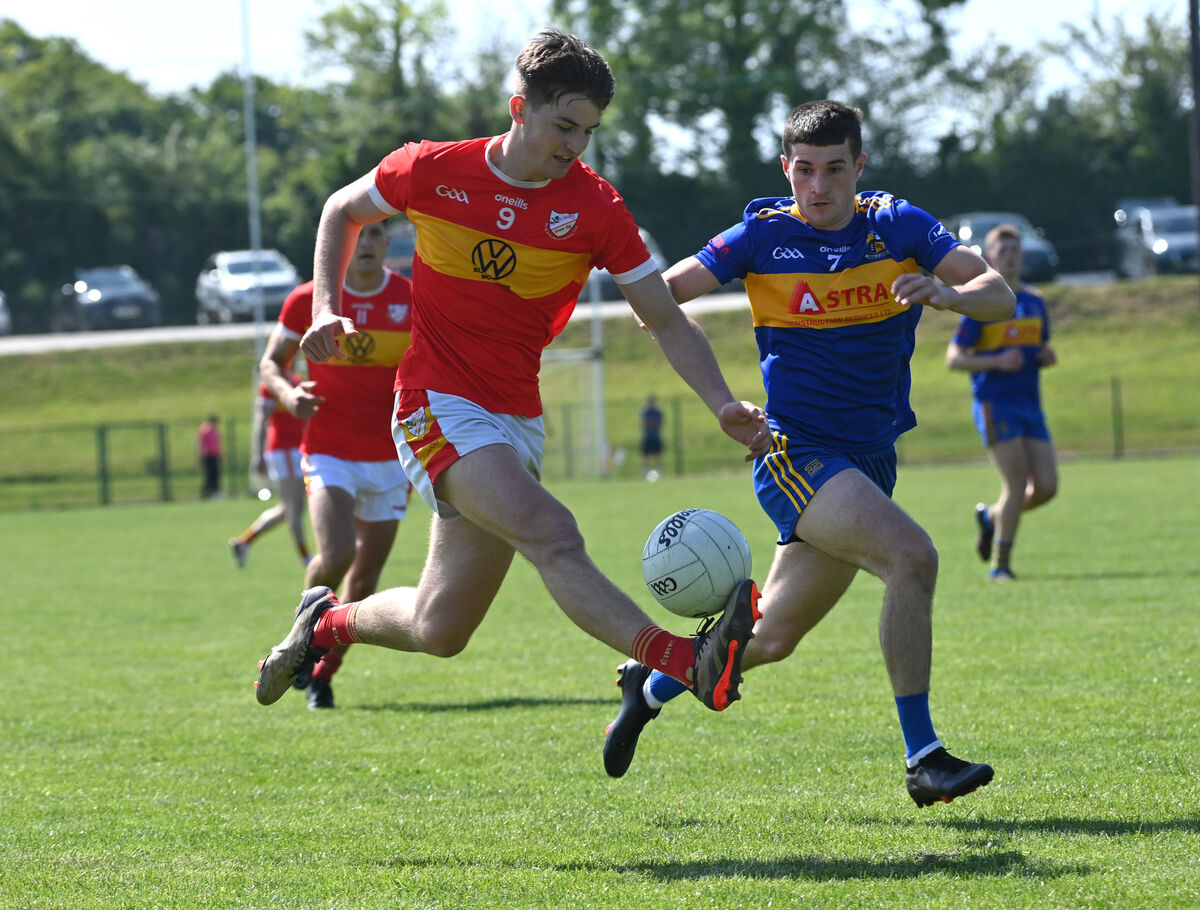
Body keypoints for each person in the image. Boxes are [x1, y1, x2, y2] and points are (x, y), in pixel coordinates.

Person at [254, 29, 771, 720]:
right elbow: (340, 211)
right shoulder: (432, 170)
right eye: (563, 125)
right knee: (551, 530)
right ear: (517, 108)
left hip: (513, 418)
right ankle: (683, 660)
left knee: (442, 628)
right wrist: (324, 305)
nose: (575, 145)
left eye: (588, 130)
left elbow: (666, 319)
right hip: (433, 399)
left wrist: (719, 402)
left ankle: (323, 625)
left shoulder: (596, 209)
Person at [602, 100, 1015, 808]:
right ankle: (924, 757)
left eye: (833, 169)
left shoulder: (897, 225)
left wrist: (946, 293)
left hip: (870, 462)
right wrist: (721, 398)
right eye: (803, 170)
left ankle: (654, 682)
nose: (817, 186)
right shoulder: (761, 238)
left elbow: (998, 295)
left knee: (768, 640)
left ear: (860, 166)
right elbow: (659, 300)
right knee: (912, 557)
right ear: (785, 169)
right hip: (796, 454)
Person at [258, 220, 416, 710]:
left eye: (374, 236)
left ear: (387, 243)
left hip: (393, 457)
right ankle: (298, 645)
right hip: (328, 451)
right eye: (357, 237)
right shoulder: (309, 299)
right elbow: (271, 362)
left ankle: (324, 673)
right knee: (338, 553)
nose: (365, 245)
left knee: (364, 584)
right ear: (339, 245)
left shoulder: (411, 298)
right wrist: (288, 394)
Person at [946, 223, 1058, 581]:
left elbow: (1038, 345)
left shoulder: (1036, 302)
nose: (1010, 257)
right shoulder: (982, 302)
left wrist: (1045, 354)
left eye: (1015, 251)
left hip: (1030, 404)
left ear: (1022, 257)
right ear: (990, 258)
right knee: (1015, 484)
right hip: (995, 403)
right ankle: (1000, 566)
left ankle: (992, 516)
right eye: (1003, 251)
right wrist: (995, 361)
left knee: (1045, 487)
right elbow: (954, 358)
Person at [228, 371, 311, 569]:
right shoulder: (269, 386)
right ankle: (305, 557)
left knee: (286, 509)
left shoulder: (297, 380)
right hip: (283, 450)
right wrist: (257, 455)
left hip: (297, 449)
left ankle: (243, 543)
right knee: (293, 509)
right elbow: (260, 421)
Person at [196, 415, 222, 499]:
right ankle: (205, 493)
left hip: (215, 456)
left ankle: (215, 493)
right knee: (209, 476)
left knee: (216, 475)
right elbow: (200, 444)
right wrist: (200, 456)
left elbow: (218, 444)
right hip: (208, 456)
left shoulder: (215, 431)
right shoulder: (205, 431)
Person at [639, 394, 664, 480]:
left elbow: (659, 423)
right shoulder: (645, 411)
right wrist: (651, 423)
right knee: (645, 456)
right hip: (647, 437)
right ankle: (644, 473)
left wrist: (652, 424)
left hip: (655, 436)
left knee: (657, 456)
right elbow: (645, 424)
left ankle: (660, 472)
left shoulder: (657, 412)